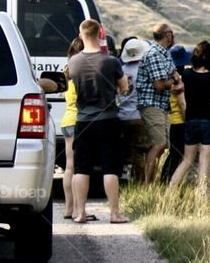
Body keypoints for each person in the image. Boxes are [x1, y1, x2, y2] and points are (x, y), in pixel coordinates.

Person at [68, 19, 130, 224]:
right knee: (110, 167)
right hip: (107, 119)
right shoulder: (110, 61)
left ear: (80, 34)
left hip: (83, 120)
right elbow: (123, 87)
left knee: (81, 168)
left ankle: (80, 212)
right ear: (100, 34)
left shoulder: (73, 62)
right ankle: (114, 213)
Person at [170, 41, 210, 190]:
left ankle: (171, 189)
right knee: (205, 160)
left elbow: (178, 91)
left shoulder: (186, 75)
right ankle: (202, 195)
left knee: (187, 160)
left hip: (191, 120)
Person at [136, 23, 181, 185]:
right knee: (159, 144)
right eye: (172, 32)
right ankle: (147, 184)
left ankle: (151, 181)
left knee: (162, 145)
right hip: (151, 102)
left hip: (161, 104)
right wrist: (175, 80)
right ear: (167, 34)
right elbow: (160, 85)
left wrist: (174, 78)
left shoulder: (164, 53)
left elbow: (173, 73)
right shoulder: (155, 54)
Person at [60, 37, 85, 220]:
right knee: (80, 168)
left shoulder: (66, 69)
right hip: (79, 121)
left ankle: (69, 208)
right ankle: (78, 209)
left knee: (69, 167)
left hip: (67, 120)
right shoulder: (81, 70)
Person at [159, 45, 191, 184]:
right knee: (177, 155)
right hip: (181, 121)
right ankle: (167, 181)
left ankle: (166, 180)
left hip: (172, 120)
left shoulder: (168, 79)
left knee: (175, 154)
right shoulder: (179, 80)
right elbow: (182, 103)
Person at [118, 38, 148, 181]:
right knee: (140, 152)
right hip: (139, 116)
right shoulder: (144, 70)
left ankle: (123, 176)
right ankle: (138, 182)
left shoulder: (121, 71)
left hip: (122, 116)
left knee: (124, 151)